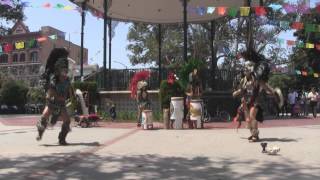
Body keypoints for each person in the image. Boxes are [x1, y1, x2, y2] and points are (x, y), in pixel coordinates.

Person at [36, 48, 76, 145]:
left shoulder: (67, 80)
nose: (65, 72)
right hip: (52, 102)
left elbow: (69, 91)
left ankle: (62, 139)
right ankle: (40, 133)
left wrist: (71, 97)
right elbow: (50, 93)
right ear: (58, 69)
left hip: (62, 104)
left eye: (66, 70)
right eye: (63, 70)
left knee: (67, 121)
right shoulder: (53, 79)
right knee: (44, 117)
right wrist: (57, 96)